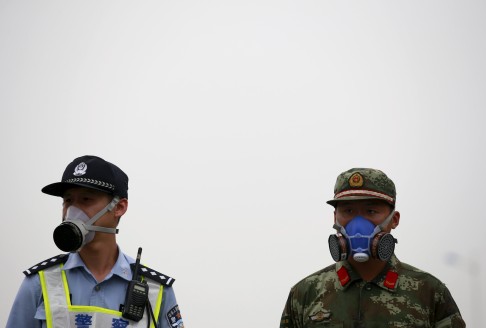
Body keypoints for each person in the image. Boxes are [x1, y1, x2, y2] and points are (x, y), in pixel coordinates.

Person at [7, 155, 184, 328]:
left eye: (86, 199)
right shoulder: (39, 283)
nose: (72, 210)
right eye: (68, 200)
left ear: (119, 207)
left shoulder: (156, 291)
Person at [280, 168, 465, 327]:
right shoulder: (304, 294)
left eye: (371, 211)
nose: (358, 223)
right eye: (348, 211)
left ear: (394, 219)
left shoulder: (430, 293)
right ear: (335, 217)